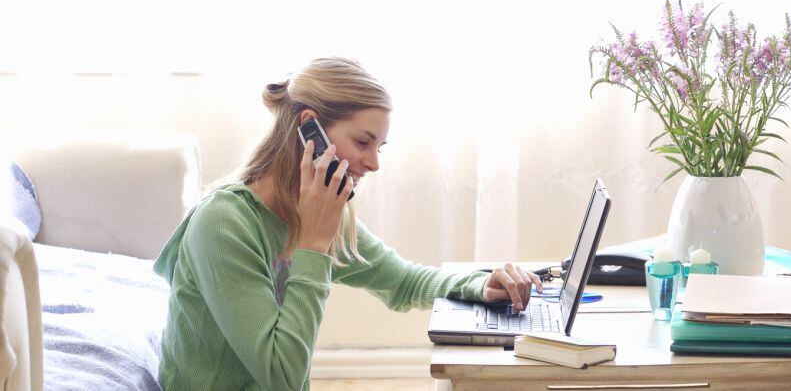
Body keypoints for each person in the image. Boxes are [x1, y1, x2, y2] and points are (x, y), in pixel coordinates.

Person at [152, 57, 543, 390]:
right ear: (310, 129)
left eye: (379, 147)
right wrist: (314, 244)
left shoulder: (311, 210)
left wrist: (478, 284)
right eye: (363, 142)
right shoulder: (224, 223)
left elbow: (403, 282)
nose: (374, 163)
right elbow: (281, 376)